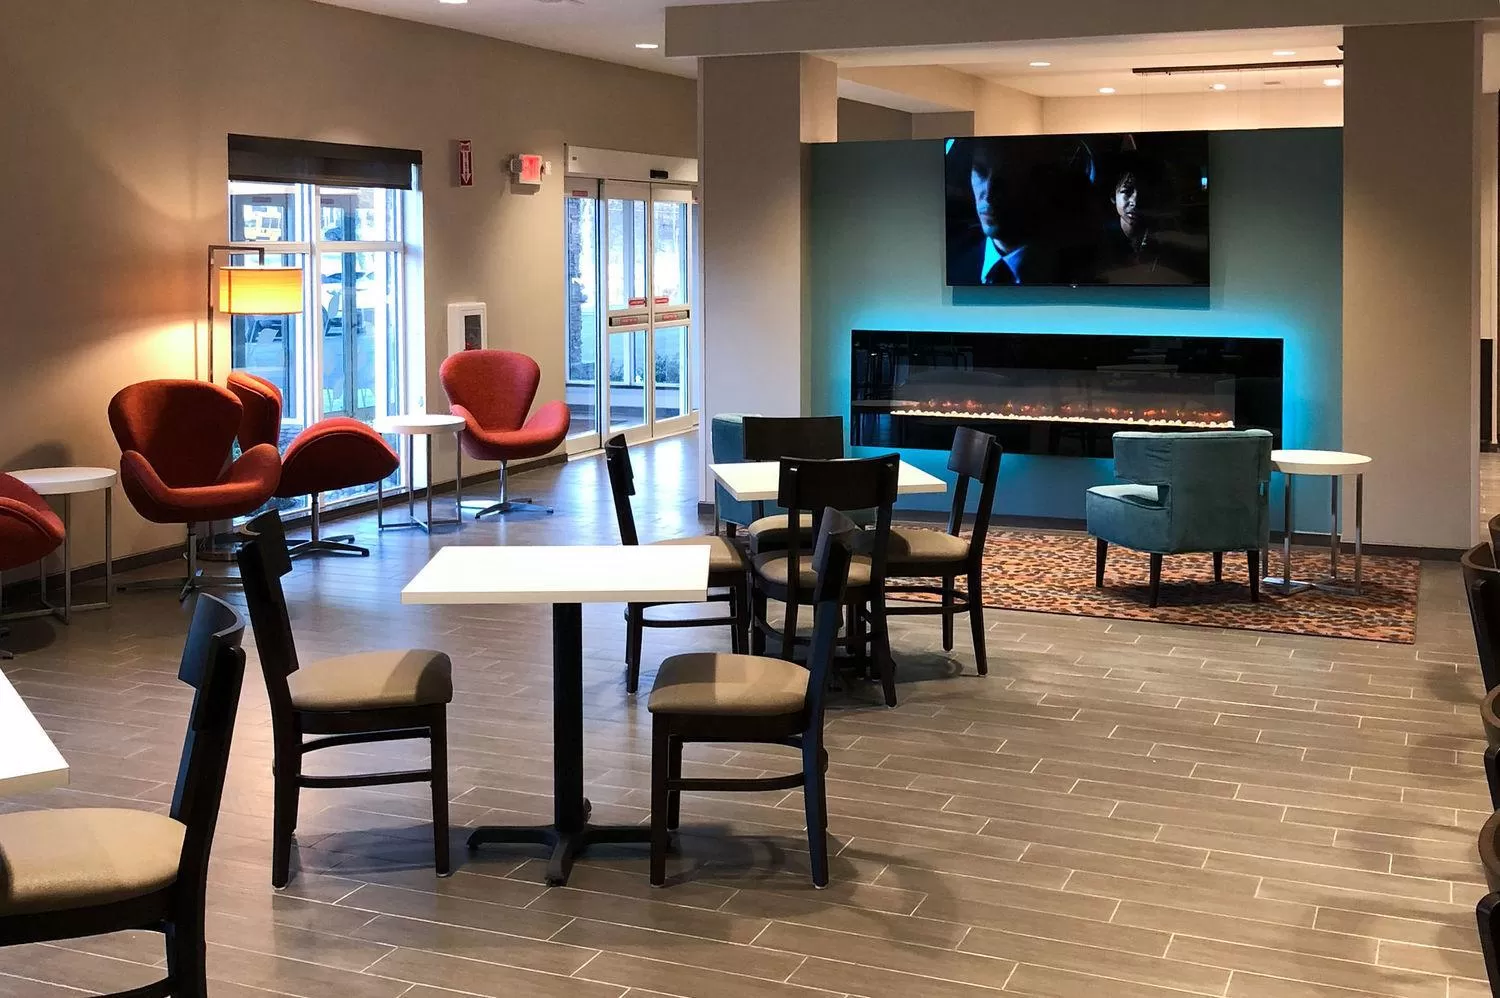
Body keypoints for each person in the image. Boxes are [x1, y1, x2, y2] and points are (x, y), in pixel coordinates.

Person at [947, 137, 1093, 286]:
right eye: (981, 172)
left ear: (1039, 182)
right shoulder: (951, 259)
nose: (989, 194)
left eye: (1006, 177)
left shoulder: (1082, 270)